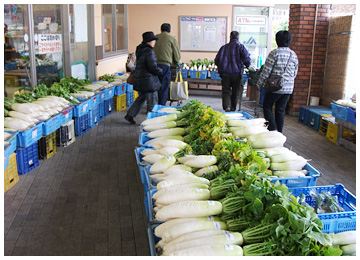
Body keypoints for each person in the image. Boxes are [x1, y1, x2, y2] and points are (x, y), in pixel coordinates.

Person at [256, 30, 299, 133]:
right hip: (288, 88)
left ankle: (272, 128)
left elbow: (266, 71)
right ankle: (279, 132)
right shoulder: (293, 55)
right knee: (280, 110)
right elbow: (295, 72)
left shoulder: (274, 53)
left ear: (277, 40)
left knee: (267, 105)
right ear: (289, 41)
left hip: (275, 86)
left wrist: (259, 83)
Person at [124, 31, 163, 124]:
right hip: (149, 81)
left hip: (141, 78)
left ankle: (130, 115)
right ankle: (152, 122)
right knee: (152, 102)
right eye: (153, 40)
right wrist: (160, 71)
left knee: (141, 98)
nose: (154, 42)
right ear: (148, 41)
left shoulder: (140, 49)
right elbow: (152, 67)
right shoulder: (149, 52)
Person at [214, 31, 251, 112]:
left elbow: (217, 60)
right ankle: (233, 108)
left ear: (230, 37)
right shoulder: (241, 47)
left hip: (225, 74)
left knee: (226, 90)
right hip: (236, 73)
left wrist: (221, 68)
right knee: (235, 91)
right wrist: (248, 66)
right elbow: (246, 58)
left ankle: (226, 106)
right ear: (238, 38)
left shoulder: (223, 48)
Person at [153, 23, 181, 106]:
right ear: (170, 31)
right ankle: (161, 106)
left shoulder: (155, 37)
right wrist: (176, 62)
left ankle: (153, 105)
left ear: (160, 30)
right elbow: (177, 55)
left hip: (153, 65)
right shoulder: (172, 38)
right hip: (165, 66)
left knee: (155, 86)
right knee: (164, 87)